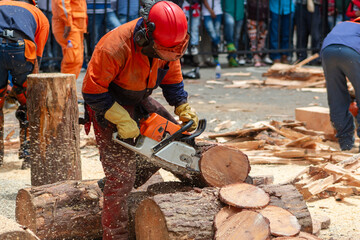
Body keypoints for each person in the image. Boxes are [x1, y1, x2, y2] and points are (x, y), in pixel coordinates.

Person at [81, 1, 198, 239]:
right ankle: (116, 233)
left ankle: (117, 183)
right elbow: (92, 91)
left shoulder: (170, 42)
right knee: (121, 178)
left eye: (175, 50)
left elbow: (172, 77)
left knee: (175, 144)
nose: (170, 54)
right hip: (108, 103)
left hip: (140, 98)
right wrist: (121, 119)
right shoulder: (113, 47)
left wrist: (181, 105)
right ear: (146, 36)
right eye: (165, 50)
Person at [0, 0, 49, 168]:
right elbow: (37, 55)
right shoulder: (39, 14)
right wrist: (26, 89)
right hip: (20, 48)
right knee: (28, 102)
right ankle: (28, 155)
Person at [321, 17, 360, 151]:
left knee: (336, 96)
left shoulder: (345, 24)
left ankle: (346, 143)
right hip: (352, 52)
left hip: (328, 51)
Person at [52, 0, 87, 79]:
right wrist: (68, 23)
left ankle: (68, 87)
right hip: (69, 26)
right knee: (72, 59)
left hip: (75, 25)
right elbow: (62, 2)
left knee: (76, 59)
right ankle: (66, 88)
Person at [295, 0, 322, 64]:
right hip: (301, 5)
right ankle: (301, 57)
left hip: (314, 5)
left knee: (315, 34)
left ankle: (315, 58)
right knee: (301, 33)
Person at [38, 0, 62, 72]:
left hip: (57, 10)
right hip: (44, 9)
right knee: (45, 38)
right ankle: (47, 64)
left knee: (57, 38)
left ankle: (57, 63)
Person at [222, 0, 245, 67]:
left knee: (236, 37)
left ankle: (232, 57)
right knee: (230, 23)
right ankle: (229, 43)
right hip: (228, 11)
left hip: (239, 13)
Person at [246, 0, 269, 67]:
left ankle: (259, 57)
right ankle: (256, 58)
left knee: (262, 39)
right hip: (252, 16)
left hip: (264, 16)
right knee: (253, 39)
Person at [202, 0, 223, 65]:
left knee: (217, 32)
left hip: (218, 10)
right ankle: (218, 44)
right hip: (207, 12)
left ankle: (215, 57)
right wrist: (210, 11)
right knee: (210, 30)